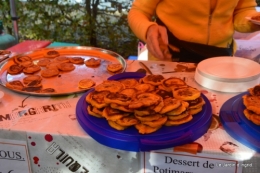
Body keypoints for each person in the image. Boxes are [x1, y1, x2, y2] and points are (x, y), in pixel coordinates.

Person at [127, 0, 260, 63]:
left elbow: (242, 11)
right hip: (170, 55)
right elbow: (139, 11)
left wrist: (253, 21)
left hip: (220, 58)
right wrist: (148, 29)